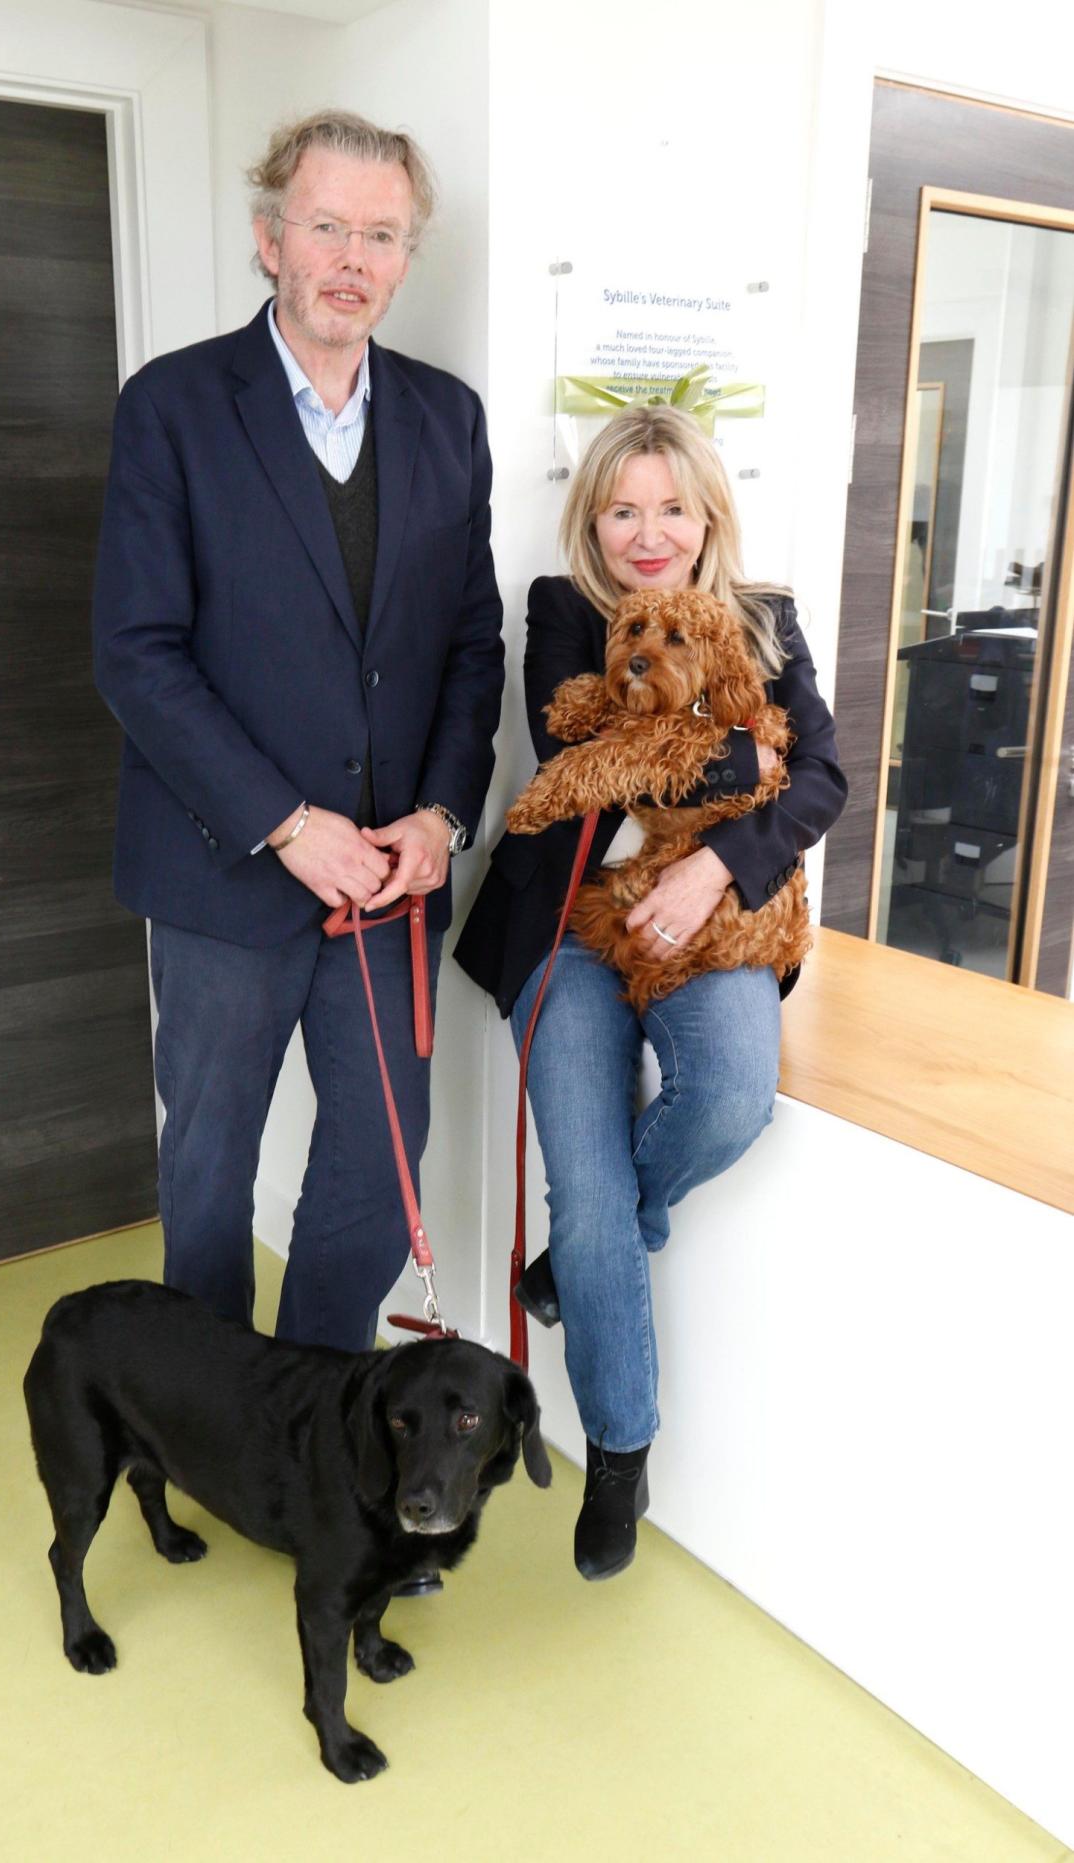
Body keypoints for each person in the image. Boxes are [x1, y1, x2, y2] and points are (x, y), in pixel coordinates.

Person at [93, 112, 504, 1357]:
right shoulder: (172, 407)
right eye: (326, 225)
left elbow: (471, 646)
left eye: (381, 235)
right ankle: (205, 1419)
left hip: (391, 885)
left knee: (380, 1169)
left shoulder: (449, 419)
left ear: (404, 258)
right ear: (271, 239)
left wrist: (439, 817)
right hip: (225, 879)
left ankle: (319, 1420)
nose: (351, 257)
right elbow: (137, 653)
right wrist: (285, 824)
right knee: (209, 1175)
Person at [454, 405, 846, 1581]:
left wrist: (722, 860)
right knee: (584, 1185)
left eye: (672, 507)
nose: (647, 533)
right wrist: (744, 765)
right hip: (572, 928)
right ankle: (621, 1456)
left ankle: (597, 1243)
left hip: (713, 917)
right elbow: (578, 772)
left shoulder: (766, 619)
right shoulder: (561, 609)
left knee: (731, 1096)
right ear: (593, 518)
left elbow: (822, 772)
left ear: (709, 512)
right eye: (623, 508)